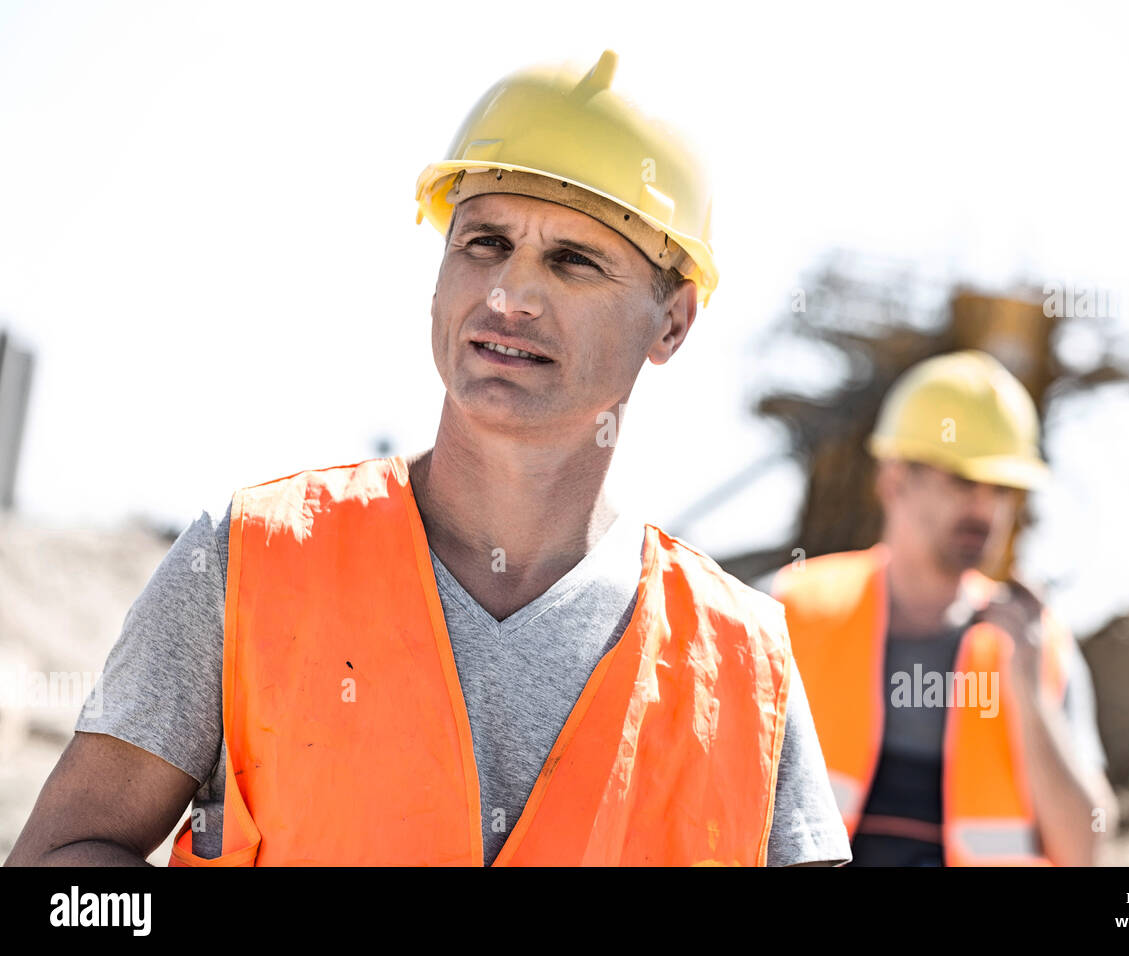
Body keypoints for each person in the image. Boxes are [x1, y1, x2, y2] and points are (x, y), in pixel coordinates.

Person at [6, 50, 850, 867]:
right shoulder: (250, 562)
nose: (507, 296)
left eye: (572, 261)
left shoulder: (744, 665)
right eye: (483, 243)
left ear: (672, 323)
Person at [768, 349, 1118, 866]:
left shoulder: (1040, 648)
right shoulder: (788, 611)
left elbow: (1085, 850)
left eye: (1001, 488)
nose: (985, 508)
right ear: (893, 481)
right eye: (961, 480)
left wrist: (1026, 690)